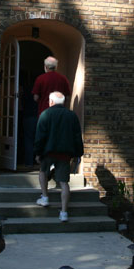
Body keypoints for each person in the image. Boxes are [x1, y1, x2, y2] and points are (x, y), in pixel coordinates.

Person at [33, 91, 84, 222]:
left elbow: (40, 136)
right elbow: (77, 136)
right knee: (64, 182)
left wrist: (38, 153)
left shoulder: (45, 114)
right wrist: (78, 154)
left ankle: (44, 198)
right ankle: (64, 212)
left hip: (48, 152)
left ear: (50, 102)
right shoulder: (72, 116)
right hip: (65, 153)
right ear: (64, 102)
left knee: (43, 172)